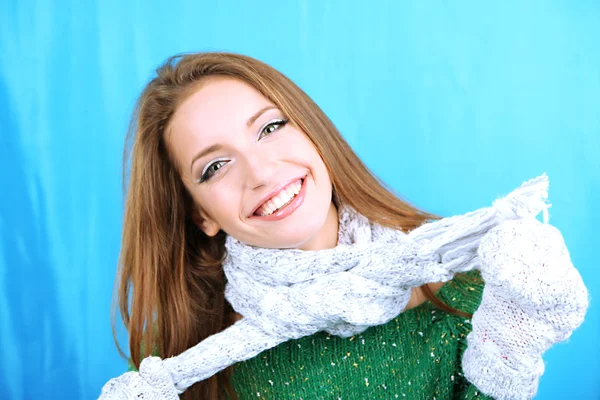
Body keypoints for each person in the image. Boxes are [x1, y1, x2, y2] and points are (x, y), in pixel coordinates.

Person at [101, 52, 588, 400]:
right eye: (215, 166)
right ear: (200, 214)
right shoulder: (176, 361)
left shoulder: (460, 287)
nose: (262, 172)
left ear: (312, 130)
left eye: (270, 127)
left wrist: (512, 348)